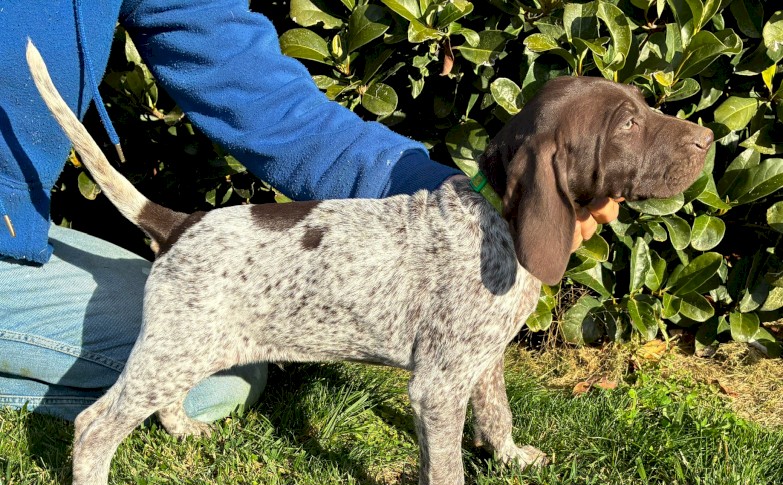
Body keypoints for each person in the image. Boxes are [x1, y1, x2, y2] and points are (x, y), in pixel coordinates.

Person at [0, 0, 619, 422]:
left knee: (215, 372)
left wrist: (445, 192)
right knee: (185, 378)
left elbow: (260, 96)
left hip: (18, 232)